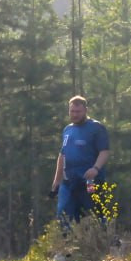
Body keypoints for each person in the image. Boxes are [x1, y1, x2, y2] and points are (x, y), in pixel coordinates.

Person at [50, 95, 110, 225]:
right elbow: (62, 155)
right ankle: (66, 243)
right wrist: (57, 180)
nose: (75, 114)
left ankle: (102, 240)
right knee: (63, 215)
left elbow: (104, 151)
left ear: (85, 110)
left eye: (78, 111)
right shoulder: (67, 130)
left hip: (90, 181)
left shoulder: (96, 128)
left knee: (94, 215)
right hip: (68, 182)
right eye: (72, 111)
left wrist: (95, 169)